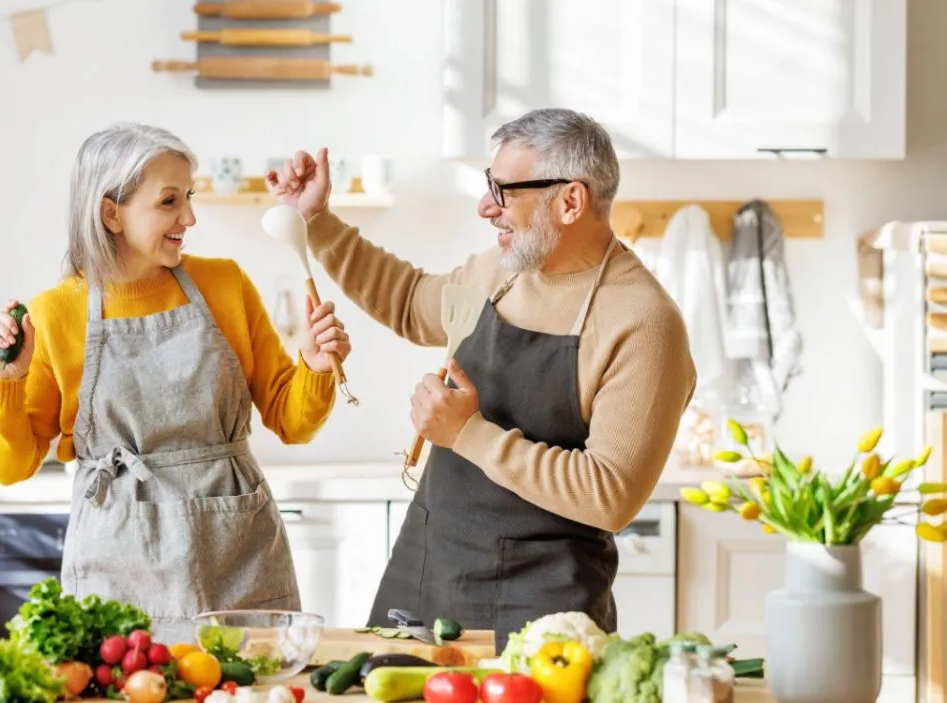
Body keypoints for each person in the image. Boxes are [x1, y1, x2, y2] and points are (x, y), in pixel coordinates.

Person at [267, 108, 696, 648]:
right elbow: (408, 301)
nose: (485, 206)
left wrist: (467, 434)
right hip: (426, 572)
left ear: (570, 200)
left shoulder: (642, 321)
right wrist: (317, 220)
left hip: (543, 607)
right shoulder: (501, 272)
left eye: (504, 190)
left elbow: (610, 494)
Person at [0, 122, 353, 643]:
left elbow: (291, 423)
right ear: (111, 212)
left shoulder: (225, 284)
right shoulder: (55, 314)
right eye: (169, 201)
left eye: (189, 197)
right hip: (118, 571)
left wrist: (313, 366)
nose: (190, 217)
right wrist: (5, 384)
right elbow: (10, 466)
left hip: (237, 558)